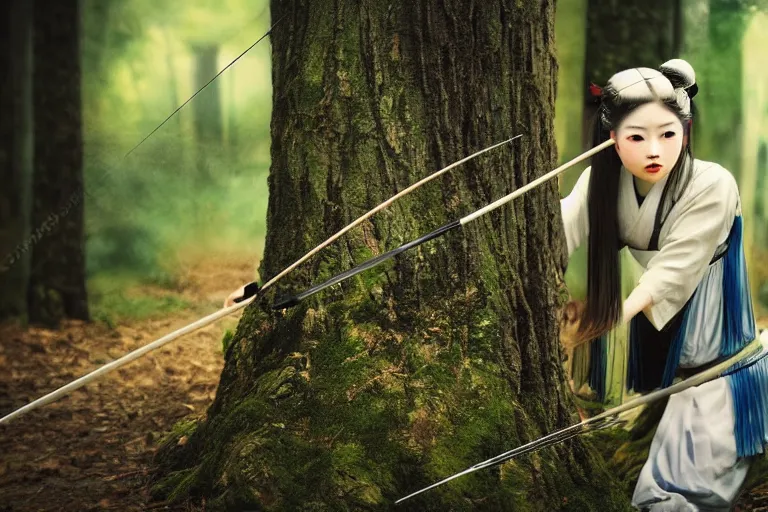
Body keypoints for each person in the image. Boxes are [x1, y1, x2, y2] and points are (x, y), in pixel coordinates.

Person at [560, 59, 767, 511]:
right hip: (673, 348)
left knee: (673, 489)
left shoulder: (712, 184)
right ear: (612, 141)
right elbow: (556, 233)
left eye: (668, 135)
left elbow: (673, 270)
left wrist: (602, 321)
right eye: (637, 137)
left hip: (716, 353)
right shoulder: (600, 181)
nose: (654, 150)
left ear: (685, 133)